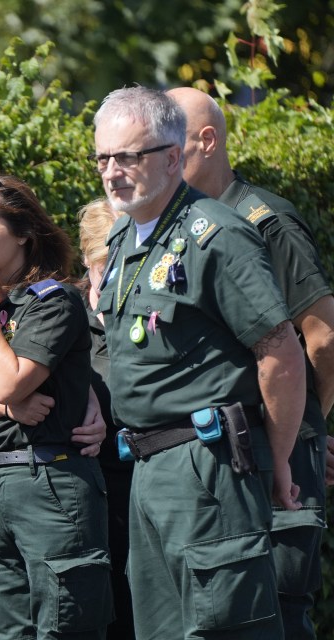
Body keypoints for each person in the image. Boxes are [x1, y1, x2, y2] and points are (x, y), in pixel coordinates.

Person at [91, 86, 305, 639]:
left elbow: (280, 352)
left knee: (225, 627)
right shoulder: (122, 239)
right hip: (146, 465)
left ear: (170, 156)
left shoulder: (217, 235)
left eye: (128, 157)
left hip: (207, 466)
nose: (113, 171)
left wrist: (277, 462)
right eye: (103, 158)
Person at [168, 85, 334, 639]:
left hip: (279, 448)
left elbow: (323, 336)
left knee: (280, 610)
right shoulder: (181, 228)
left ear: (207, 141)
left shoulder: (266, 222)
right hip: (230, 452)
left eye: (173, 145)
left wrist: (307, 427)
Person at [0, 174, 113, 639]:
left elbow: (12, 381)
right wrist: (1, 410)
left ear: (23, 233)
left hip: (50, 480)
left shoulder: (52, 303)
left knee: (65, 624)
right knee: (8, 628)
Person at [77, 197, 135, 640]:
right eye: (104, 265)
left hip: (150, 478)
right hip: (91, 490)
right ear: (86, 261)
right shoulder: (65, 314)